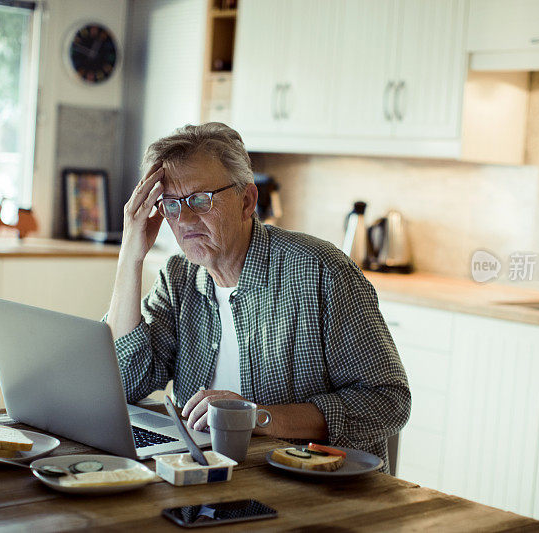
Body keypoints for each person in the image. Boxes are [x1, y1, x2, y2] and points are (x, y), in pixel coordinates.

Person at [105, 122, 410, 471]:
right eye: (170, 205)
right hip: (210, 478)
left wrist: (259, 417)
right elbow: (124, 383)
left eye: (200, 201)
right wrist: (130, 256)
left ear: (247, 200)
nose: (184, 219)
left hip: (315, 490)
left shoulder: (322, 272)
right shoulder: (179, 277)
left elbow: (388, 402)